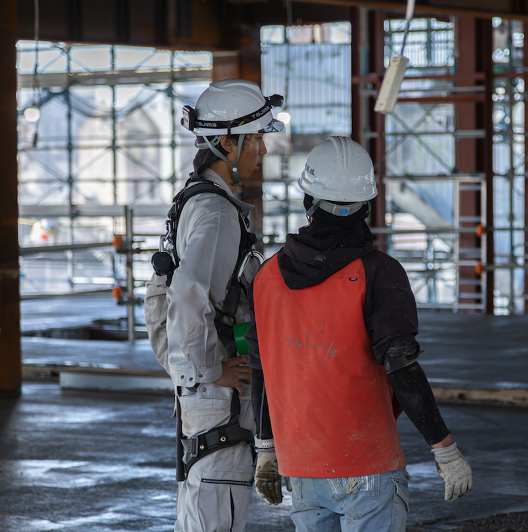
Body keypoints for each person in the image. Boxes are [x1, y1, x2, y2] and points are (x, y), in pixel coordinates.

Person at [245, 136, 473, 531]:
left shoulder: (266, 277)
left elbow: (260, 369)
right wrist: (444, 447)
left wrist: (266, 449)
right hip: (367, 467)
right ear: (366, 207)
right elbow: (401, 366)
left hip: (303, 469)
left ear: (307, 202)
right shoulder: (379, 273)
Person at [144, 78, 284, 532]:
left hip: (206, 392)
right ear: (227, 141)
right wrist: (208, 371)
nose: (262, 149)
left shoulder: (197, 200)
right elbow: (189, 297)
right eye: (257, 138)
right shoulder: (218, 213)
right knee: (216, 516)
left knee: (204, 513)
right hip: (216, 395)